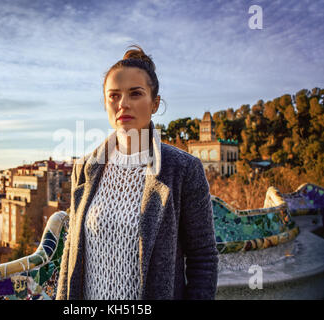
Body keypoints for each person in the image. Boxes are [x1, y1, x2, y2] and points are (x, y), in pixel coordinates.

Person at [56, 45, 218, 300]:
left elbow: (203, 259)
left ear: (154, 104)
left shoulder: (183, 170)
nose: (123, 104)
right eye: (114, 95)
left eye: (135, 94)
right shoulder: (85, 168)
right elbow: (70, 252)